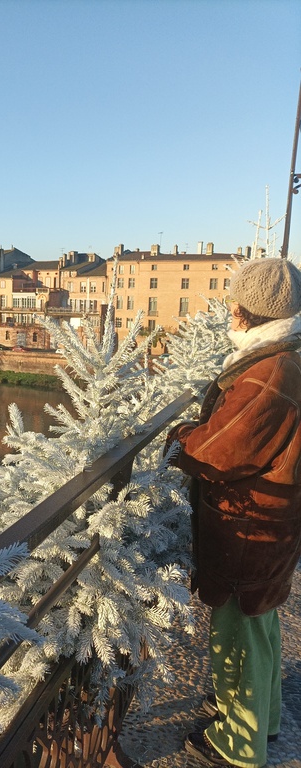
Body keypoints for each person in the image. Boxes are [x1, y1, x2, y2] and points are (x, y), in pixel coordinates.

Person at [166, 257, 301, 767]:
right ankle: (263, 718)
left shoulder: (268, 374)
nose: (228, 309)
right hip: (275, 523)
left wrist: (178, 441)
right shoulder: (289, 357)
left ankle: (238, 743)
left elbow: (214, 452)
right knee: (261, 620)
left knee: (237, 631)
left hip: (248, 529)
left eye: (232, 301)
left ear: (247, 312)